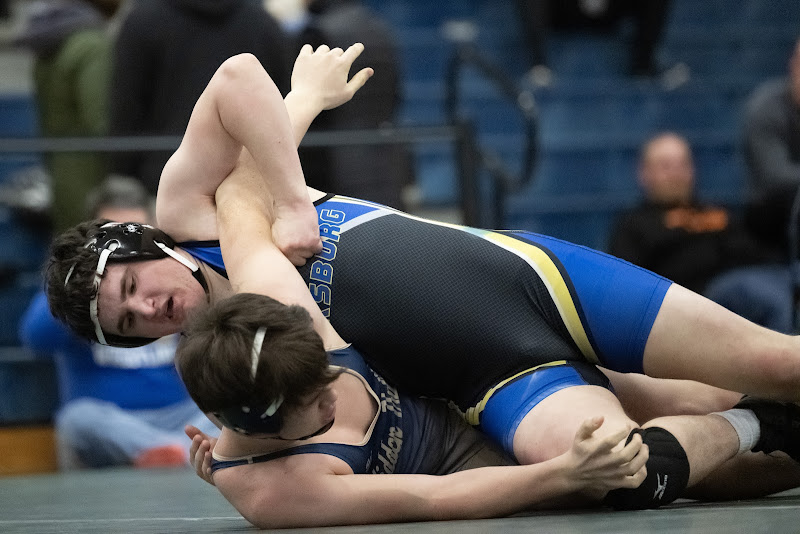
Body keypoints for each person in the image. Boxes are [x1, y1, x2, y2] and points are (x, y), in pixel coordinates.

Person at [44, 43, 800, 470]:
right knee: (622, 468)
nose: (149, 308)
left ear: (141, 245)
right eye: (131, 322)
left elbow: (237, 77)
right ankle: (767, 433)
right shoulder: (222, 368)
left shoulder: (190, 213)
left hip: (532, 282)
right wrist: (229, 461)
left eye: (133, 285)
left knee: (773, 364)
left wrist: (294, 198)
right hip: (493, 383)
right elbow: (290, 442)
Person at [175, 160, 800, 527]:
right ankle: (767, 426)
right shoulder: (274, 489)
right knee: (637, 473)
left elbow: (236, 171)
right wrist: (564, 473)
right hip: (497, 410)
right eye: (313, 405)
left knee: (775, 365)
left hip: (519, 297)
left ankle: (755, 415)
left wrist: (296, 164)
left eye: (325, 375)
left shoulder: (283, 315)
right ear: (258, 425)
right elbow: (433, 497)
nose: (333, 397)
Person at [20, 176, 218, 469]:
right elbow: (35, 338)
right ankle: (180, 452)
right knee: (77, 420)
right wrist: (79, 285)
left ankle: (174, 451)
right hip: (116, 422)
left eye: (132, 231)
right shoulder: (80, 288)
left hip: (184, 414)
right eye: (113, 234)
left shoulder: (177, 274)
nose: (122, 248)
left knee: (226, 403)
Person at [108, 0, 292, 193]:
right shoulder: (263, 23)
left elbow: (126, 110)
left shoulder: (143, 20)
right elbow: (282, 107)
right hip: (249, 183)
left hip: (162, 184)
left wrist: (123, 179)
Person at [609, 132, 770, 294]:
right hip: (684, 299)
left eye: (683, 164)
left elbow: (757, 258)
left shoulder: (718, 212)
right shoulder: (633, 226)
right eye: (666, 166)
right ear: (644, 172)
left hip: (741, 291)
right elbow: (626, 287)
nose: (676, 174)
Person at [12, 0, 112, 232]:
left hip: (59, 164)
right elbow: (99, 118)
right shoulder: (91, 45)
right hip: (90, 168)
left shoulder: (53, 40)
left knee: (70, 240)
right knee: (94, 239)